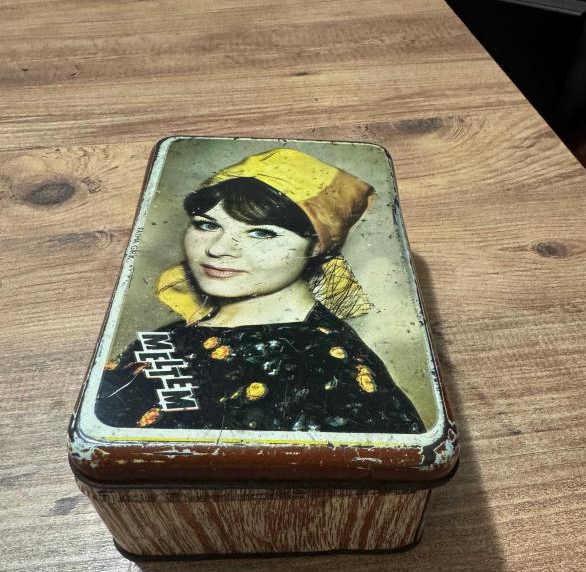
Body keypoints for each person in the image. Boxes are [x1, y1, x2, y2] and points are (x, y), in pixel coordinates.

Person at [96, 148, 425, 434]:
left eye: (262, 233)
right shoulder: (176, 334)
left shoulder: (326, 370)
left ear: (318, 246)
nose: (218, 249)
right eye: (207, 225)